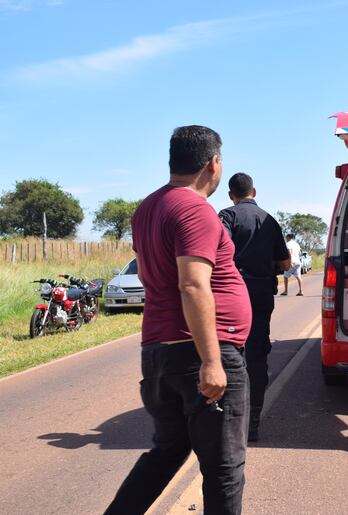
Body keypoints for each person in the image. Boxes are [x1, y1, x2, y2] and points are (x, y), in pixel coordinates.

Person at [106, 125, 250, 515]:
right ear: (213, 163)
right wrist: (212, 361)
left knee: (167, 452)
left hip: (159, 354)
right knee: (224, 467)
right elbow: (192, 285)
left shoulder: (148, 207)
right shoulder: (194, 209)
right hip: (199, 352)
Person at [219, 173, 290, 442]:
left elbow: (218, 251)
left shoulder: (226, 216)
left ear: (231, 194)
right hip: (261, 294)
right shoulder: (270, 221)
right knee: (257, 356)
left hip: (231, 295)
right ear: (254, 191)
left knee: (229, 354)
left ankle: (229, 424)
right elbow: (284, 263)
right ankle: (253, 424)